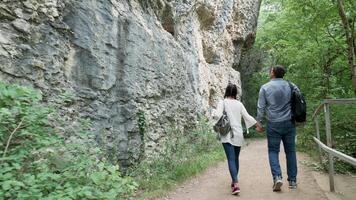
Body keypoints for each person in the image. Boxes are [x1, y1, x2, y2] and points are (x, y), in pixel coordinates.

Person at [213, 83, 263, 195]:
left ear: (226, 91)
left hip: (227, 135)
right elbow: (247, 117)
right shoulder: (239, 104)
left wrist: (213, 113)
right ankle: (234, 181)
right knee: (235, 159)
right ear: (235, 93)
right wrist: (257, 125)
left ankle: (235, 184)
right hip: (238, 134)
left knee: (231, 159)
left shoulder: (222, 102)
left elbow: (217, 115)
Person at [256, 65, 298, 191]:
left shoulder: (265, 87)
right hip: (289, 122)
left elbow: (261, 107)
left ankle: (277, 177)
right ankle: (293, 181)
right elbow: (298, 101)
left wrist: (259, 122)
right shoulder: (291, 86)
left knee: (273, 151)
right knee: (290, 151)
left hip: (273, 123)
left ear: (273, 72)